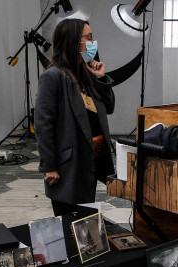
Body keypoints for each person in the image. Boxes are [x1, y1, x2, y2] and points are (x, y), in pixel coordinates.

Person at [35, 19, 115, 217]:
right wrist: (49, 166)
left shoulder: (85, 76)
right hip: (67, 165)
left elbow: (109, 107)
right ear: (72, 42)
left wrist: (101, 79)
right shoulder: (53, 77)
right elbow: (43, 124)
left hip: (88, 160)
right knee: (69, 224)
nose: (93, 41)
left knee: (85, 222)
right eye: (88, 37)